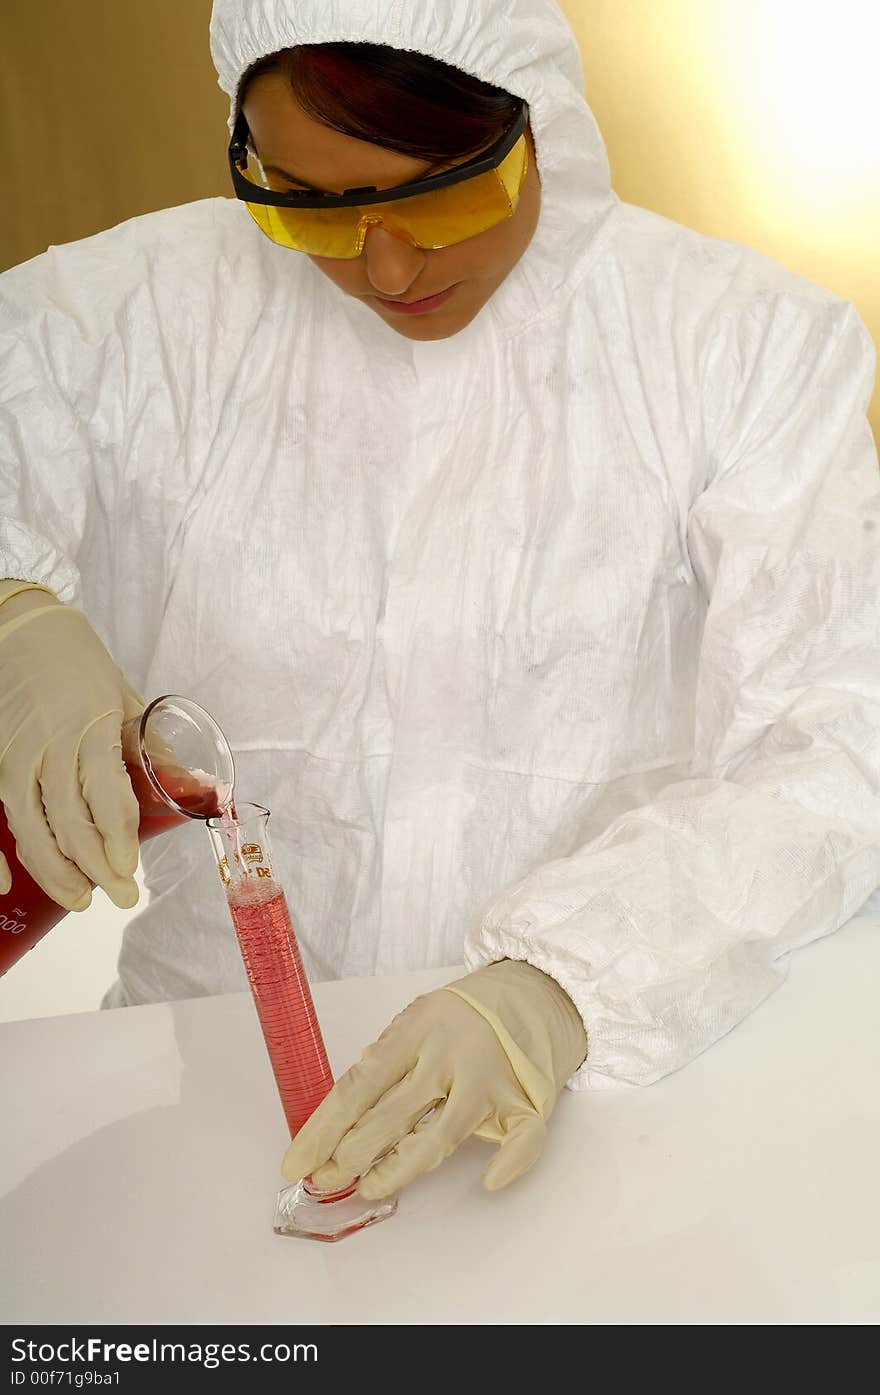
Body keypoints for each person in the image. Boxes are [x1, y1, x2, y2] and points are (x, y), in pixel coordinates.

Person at [1, 0, 879, 1203]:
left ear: (535, 125)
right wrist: (13, 607)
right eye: (306, 209)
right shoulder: (145, 318)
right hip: (212, 1088)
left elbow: (836, 743)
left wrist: (562, 985)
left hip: (608, 1101)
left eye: (439, 199)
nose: (386, 267)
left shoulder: (738, 348)